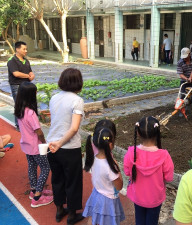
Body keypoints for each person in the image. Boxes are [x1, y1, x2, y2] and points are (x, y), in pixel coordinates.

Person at [47, 68, 84, 224]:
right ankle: (72, 215)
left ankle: (59, 210)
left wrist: (55, 144)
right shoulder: (77, 100)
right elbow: (74, 128)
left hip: (51, 147)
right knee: (73, 181)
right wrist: (61, 143)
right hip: (69, 148)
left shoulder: (54, 98)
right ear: (78, 82)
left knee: (58, 179)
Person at [124, 116, 174, 225]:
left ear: (138, 133)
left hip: (137, 196)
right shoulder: (164, 155)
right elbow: (169, 178)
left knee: (139, 220)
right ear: (157, 133)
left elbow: (127, 173)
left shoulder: (131, 152)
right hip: (155, 198)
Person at [14, 81, 53, 207]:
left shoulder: (19, 110)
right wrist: (44, 142)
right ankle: (37, 198)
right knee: (45, 168)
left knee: (32, 166)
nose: (36, 93)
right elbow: (39, 132)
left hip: (26, 145)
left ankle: (33, 190)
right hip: (36, 146)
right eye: (35, 92)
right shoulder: (30, 113)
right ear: (30, 95)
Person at [83, 124, 125, 225]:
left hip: (97, 193)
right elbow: (119, 186)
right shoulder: (111, 166)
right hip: (108, 199)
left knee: (94, 218)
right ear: (110, 145)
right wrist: (118, 170)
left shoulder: (93, 158)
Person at [7, 41, 35, 130]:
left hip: (27, 85)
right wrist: (28, 76)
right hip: (17, 86)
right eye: (24, 49)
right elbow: (16, 74)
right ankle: (19, 125)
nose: (26, 51)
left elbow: (30, 71)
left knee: (28, 105)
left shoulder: (26, 60)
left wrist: (32, 75)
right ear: (17, 49)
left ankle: (27, 123)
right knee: (19, 105)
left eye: (26, 49)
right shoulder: (12, 61)